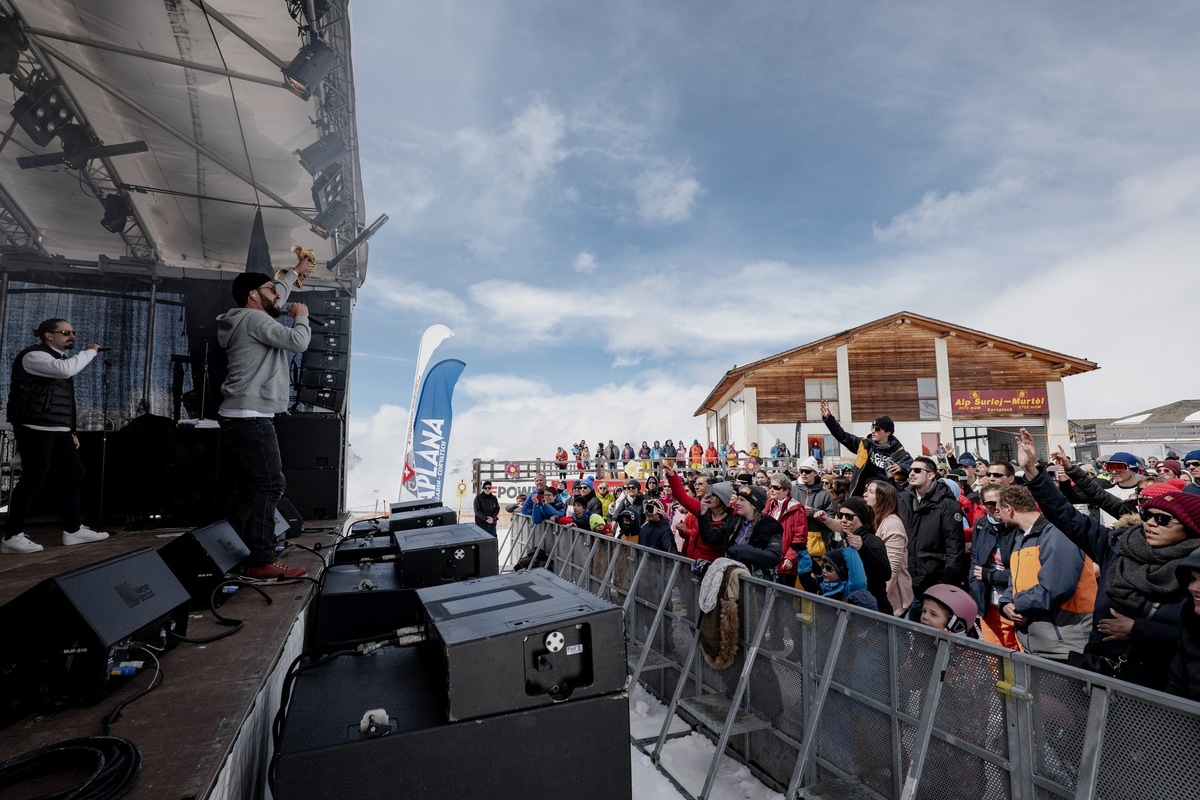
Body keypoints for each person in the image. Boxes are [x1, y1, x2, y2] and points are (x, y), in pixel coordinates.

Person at [1018, 428, 1200, 689]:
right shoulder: (1117, 544)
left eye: (1162, 519)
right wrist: (1032, 472)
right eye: (1147, 515)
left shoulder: (1192, 569)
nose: (1150, 523)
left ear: (1189, 528)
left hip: (1155, 684)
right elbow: (1066, 517)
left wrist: (1136, 630)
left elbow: (1192, 639)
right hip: (1099, 671)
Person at [217, 264, 313, 579]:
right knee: (271, 485)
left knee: (246, 489)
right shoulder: (256, 319)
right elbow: (298, 342)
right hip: (251, 416)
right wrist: (302, 316)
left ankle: (224, 549)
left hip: (238, 414)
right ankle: (261, 558)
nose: (279, 295)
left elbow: (277, 294)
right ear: (253, 295)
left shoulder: (245, 317)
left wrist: (294, 273)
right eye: (271, 289)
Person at [2, 318, 108, 553]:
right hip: (35, 427)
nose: (72, 336)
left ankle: (73, 529)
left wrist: (69, 430)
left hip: (57, 428)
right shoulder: (34, 356)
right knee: (34, 477)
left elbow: (63, 400)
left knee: (75, 473)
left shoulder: (57, 359)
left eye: (73, 332)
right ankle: (12, 535)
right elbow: (66, 370)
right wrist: (89, 352)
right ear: (48, 335)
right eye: (66, 332)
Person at [994, 485, 1096, 660]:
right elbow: (1015, 581)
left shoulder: (1057, 533)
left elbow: (1057, 587)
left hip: (1067, 645)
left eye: (998, 510)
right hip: (1037, 645)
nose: (997, 516)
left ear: (1009, 509)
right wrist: (1005, 604)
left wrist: (1018, 604)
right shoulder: (1021, 538)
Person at [900, 455, 968, 599]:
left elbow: (954, 548)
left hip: (934, 581)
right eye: (911, 470)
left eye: (917, 470)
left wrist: (949, 584)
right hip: (907, 580)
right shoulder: (904, 500)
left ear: (930, 475)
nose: (912, 473)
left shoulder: (947, 504)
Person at [819, 401, 912, 496]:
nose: (873, 431)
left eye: (877, 429)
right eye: (872, 427)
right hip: (862, 492)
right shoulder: (864, 444)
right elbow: (842, 436)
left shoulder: (898, 451)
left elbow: (913, 468)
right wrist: (829, 419)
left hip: (885, 494)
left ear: (888, 433)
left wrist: (901, 468)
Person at [968, 484, 1020, 650]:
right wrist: (975, 587)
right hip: (988, 602)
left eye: (999, 502)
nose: (996, 508)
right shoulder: (981, 525)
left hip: (1015, 602)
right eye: (990, 504)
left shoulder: (1017, 527)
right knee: (995, 655)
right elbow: (975, 560)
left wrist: (990, 575)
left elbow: (1023, 572)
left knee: (1020, 653)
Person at [864, 480, 913, 615]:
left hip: (890, 599)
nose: (865, 495)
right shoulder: (873, 520)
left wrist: (879, 601)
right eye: (866, 490)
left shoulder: (892, 524)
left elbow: (893, 569)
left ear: (883, 498)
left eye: (871, 492)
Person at [835, 497, 892, 614]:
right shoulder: (842, 542)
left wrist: (863, 549)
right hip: (848, 606)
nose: (843, 520)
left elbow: (886, 573)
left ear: (861, 519)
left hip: (874, 609)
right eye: (840, 515)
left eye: (849, 517)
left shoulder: (873, 542)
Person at [765, 473, 815, 592]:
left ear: (786, 490)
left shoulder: (797, 508)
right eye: (771, 486)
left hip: (785, 560)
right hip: (768, 557)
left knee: (784, 599)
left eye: (776, 487)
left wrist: (790, 557)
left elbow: (800, 537)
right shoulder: (770, 504)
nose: (772, 490)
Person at [726, 484, 783, 575]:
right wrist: (703, 513)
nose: (737, 503)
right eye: (738, 499)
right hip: (733, 575)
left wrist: (744, 550)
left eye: (742, 500)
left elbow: (773, 556)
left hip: (754, 580)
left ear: (753, 505)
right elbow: (712, 536)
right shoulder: (734, 521)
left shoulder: (770, 526)